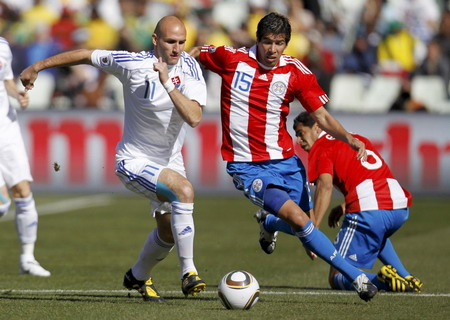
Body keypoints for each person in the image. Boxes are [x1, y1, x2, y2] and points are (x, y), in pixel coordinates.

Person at [189, 12, 377, 302]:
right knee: (301, 222)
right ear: (257, 40)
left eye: (280, 43)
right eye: (267, 42)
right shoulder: (232, 59)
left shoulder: (296, 72)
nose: (273, 49)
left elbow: (321, 115)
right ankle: (358, 277)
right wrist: (180, 73)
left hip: (287, 163)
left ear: (287, 43)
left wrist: (348, 137)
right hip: (248, 167)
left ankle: (268, 223)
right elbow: (198, 52)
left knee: (309, 232)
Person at [20, 16, 206, 302]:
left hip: (170, 162)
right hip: (132, 160)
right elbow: (85, 55)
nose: (177, 48)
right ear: (155, 40)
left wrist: (167, 83)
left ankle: (137, 276)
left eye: (182, 42)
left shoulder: (190, 68)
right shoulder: (131, 63)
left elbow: (194, 117)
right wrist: (37, 66)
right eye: (170, 41)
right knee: (184, 191)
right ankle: (189, 273)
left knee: (168, 232)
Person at [287, 111, 423, 293]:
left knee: (336, 276)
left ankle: (386, 282)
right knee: (376, 234)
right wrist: (345, 206)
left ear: (317, 127)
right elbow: (371, 176)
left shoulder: (321, 148)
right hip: (399, 206)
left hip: (369, 211)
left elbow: (325, 186)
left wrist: (313, 230)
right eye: (296, 135)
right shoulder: (355, 138)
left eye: (301, 133)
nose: (298, 141)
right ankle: (405, 277)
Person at [0, 36, 51, 277]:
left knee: (23, 191)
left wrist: (16, 93)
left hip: (7, 128)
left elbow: (7, 80)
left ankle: (27, 258)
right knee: (2, 205)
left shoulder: (2, 46)